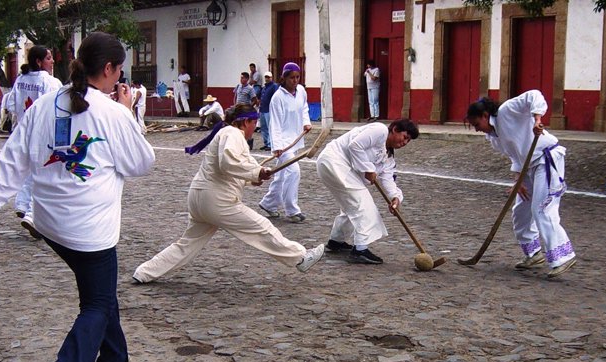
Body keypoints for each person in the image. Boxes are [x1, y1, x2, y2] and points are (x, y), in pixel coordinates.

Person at [0, 32, 155, 362]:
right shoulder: (111, 113)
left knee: (100, 289)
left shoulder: (42, 106)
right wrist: (126, 111)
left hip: (51, 224)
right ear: (108, 70)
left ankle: (114, 358)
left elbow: (13, 157)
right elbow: (141, 164)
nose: (121, 76)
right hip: (89, 230)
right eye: (119, 69)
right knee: (97, 302)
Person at [132, 103, 324, 284]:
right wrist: (255, 173)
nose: (254, 128)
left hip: (199, 196)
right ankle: (300, 258)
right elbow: (228, 162)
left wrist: (253, 177)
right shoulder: (233, 133)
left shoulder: (229, 135)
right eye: (254, 123)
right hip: (216, 200)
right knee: (261, 227)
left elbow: (236, 167)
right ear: (245, 122)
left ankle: (144, 272)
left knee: (186, 244)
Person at [466, 90, 576, 278]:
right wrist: (518, 181)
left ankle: (563, 256)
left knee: (542, 209)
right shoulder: (493, 138)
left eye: (477, 124)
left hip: (546, 159)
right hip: (528, 167)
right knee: (520, 211)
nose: (477, 129)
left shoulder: (507, 111)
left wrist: (537, 119)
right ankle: (533, 254)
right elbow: (516, 156)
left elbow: (535, 95)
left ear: (485, 116)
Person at [317, 120, 418, 264]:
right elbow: (355, 145)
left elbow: (388, 179)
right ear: (395, 129)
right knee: (364, 205)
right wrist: (368, 169)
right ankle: (360, 250)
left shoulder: (388, 159)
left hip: (339, 167)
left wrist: (395, 197)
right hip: (334, 161)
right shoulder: (379, 130)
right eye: (405, 137)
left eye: (408, 141)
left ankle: (336, 241)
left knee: (350, 206)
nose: (405, 142)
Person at [8, 46, 63, 238]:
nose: (53, 61)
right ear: (39, 61)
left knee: (29, 171)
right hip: (43, 133)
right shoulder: (50, 82)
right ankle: (33, 214)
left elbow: (11, 105)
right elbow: (59, 109)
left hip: (24, 131)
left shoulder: (20, 80)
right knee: (44, 174)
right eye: (49, 58)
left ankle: (22, 204)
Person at [258, 62, 311, 223]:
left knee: (281, 175)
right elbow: (275, 123)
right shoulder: (277, 98)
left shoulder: (301, 91)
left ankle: (269, 203)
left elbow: (304, 108)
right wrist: (278, 146)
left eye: (297, 77)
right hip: (283, 143)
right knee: (293, 171)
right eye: (292, 78)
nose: (295, 81)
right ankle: (292, 210)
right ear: (284, 78)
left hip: (295, 139)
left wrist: (306, 122)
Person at [258, 71, 278, 151]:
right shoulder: (264, 88)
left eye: (268, 77)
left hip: (269, 110)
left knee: (270, 127)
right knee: (264, 127)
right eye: (266, 77)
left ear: (271, 78)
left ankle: (270, 144)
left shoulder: (274, 86)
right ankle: (266, 142)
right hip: (263, 109)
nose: (267, 79)